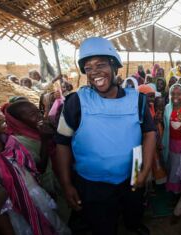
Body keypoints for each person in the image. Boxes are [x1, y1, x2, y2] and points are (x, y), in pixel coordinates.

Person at [54, 37, 155, 235]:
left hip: (132, 172)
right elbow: (62, 143)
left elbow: (149, 133)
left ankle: (133, 225)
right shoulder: (76, 102)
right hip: (92, 182)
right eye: (88, 68)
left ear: (114, 66)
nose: (95, 72)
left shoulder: (138, 100)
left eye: (101, 64)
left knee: (133, 211)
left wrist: (144, 169)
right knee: (103, 225)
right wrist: (67, 184)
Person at [0, 93, 70, 235]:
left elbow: (33, 172)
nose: (1, 116)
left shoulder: (11, 142)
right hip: (17, 216)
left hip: (38, 200)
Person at [162, 84, 181, 194]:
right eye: (173, 94)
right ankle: (172, 187)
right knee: (171, 163)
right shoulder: (167, 108)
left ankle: (176, 189)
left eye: (179, 94)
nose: (175, 96)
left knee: (178, 165)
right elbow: (165, 126)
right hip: (169, 142)